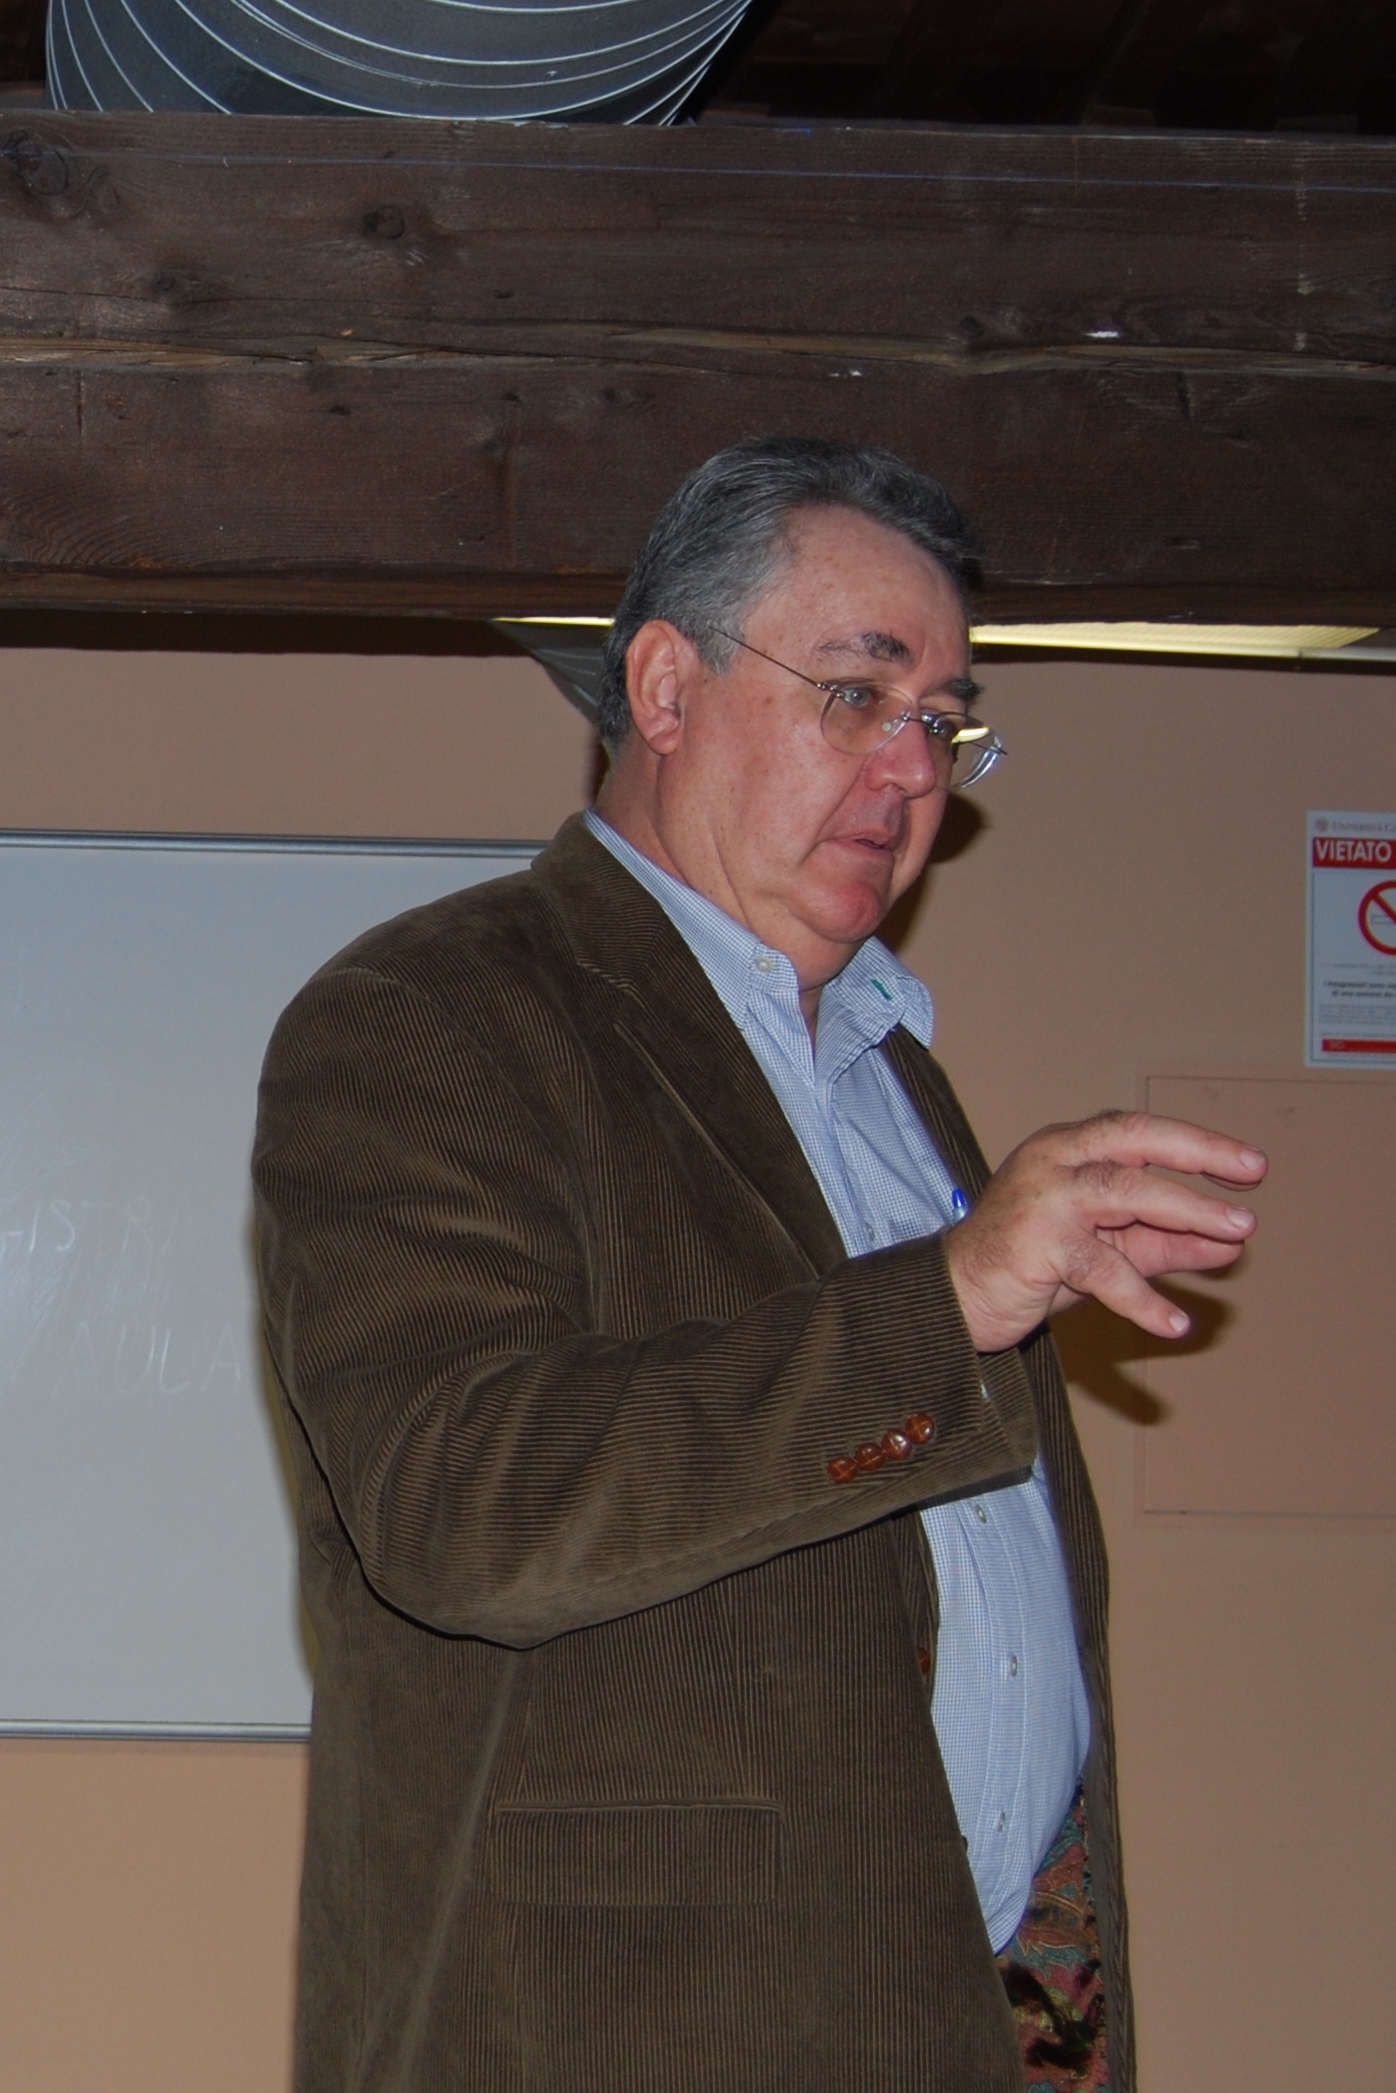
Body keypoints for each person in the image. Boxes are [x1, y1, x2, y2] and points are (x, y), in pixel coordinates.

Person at [253, 437, 1265, 2093]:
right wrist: (945, 1300)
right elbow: (462, 1504)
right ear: (666, 687)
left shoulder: (894, 1077)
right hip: (633, 2034)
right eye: (858, 695)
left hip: (982, 2021)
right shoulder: (436, 1015)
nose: (915, 770)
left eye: (945, 721)